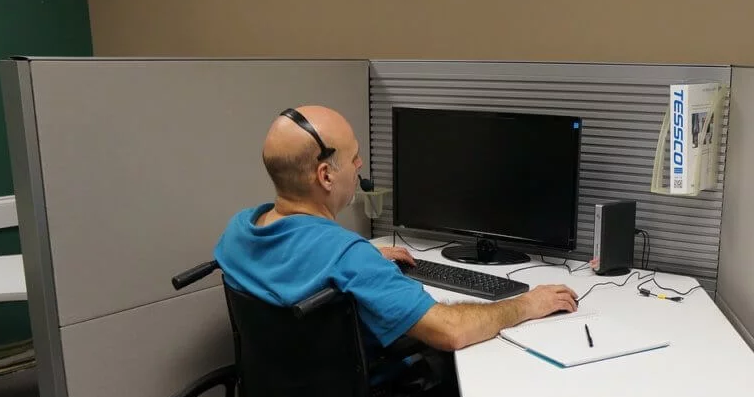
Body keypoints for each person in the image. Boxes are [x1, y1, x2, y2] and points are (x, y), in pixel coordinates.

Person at [214, 105, 578, 354]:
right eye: (353, 157)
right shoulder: (347, 258)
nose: (360, 165)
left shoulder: (238, 231)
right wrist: (527, 304)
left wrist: (363, 256)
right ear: (325, 176)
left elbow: (296, 260)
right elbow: (450, 332)